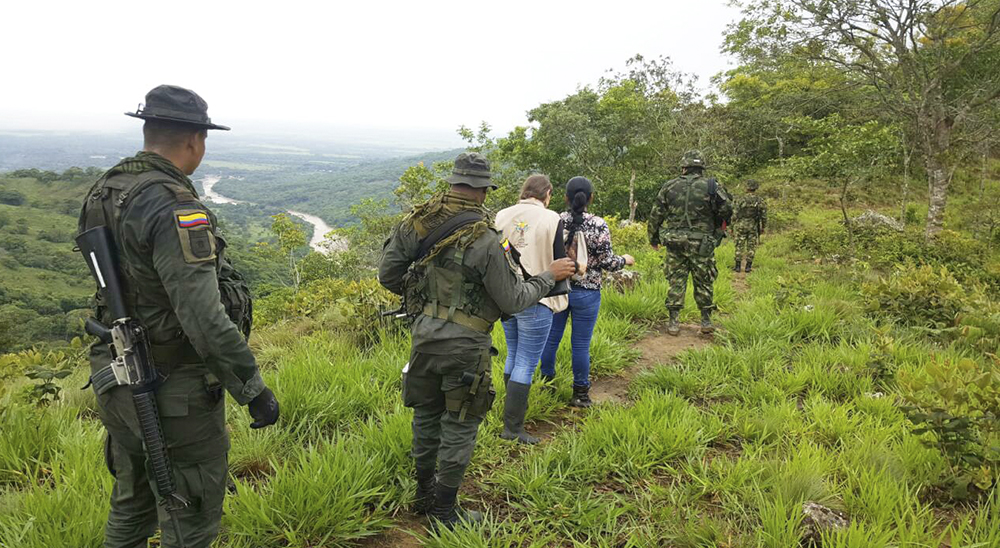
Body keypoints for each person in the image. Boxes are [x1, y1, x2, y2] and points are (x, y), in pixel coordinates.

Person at [78, 85, 279, 548]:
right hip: (171, 389)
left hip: (116, 376)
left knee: (131, 505)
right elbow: (203, 316)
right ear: (195, 140)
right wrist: (252, 389)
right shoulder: (174, 205)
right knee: (190, 517)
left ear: (149, 131)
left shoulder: (105, 189)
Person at [378, 153, 576, 529]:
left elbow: (388, 277)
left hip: (423, 337)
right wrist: (549, 276)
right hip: (466, 345)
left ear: (453, 182)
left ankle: (423, 495)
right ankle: (443, 512)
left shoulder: (415, 222)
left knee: (426, 415)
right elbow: (513, 300)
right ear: (484, 191)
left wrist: (428, 301)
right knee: (460, 423)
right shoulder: (485, 239)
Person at [495, 174, 584, 444]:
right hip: (538, 296)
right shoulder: (552, 218)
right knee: (526, 361)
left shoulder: (501, 216)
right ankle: (512, 428)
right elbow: (558, 258)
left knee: (513, 353)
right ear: (547, 194)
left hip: (507, 297)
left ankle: (506, 417)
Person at [539, 176, 634, 407]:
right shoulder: (598, 224)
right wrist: (625, 260)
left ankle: (546, 385)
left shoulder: (556, 220)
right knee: (580, 344)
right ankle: (580, 394)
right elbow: (608, 262)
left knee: (551, 339)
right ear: (590, 198)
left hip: (558, 289)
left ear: (565, 197)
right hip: (587, 292)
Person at [648, 150, 732, 336]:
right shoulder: (711, 186)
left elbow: (656, 214)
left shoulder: (670, 186)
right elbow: (727, 209)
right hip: (702, 243)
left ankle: (673, 322)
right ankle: (706, 320)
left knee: (676, 280)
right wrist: (718, 228)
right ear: (701, 168)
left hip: (675, 242)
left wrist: (653, 238)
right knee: (703, 280)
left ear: (684, 167)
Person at [731, 179, 767, 273]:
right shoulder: (760, 200)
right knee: (751, 246)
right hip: (753, 225)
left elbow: (734, 214)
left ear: (747, 187)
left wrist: (731, 227)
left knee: (739, 245)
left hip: (741, 225)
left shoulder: (740, 199)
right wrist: (763, 227)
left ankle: (738, 266)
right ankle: (748, 267)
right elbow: (764, 215)